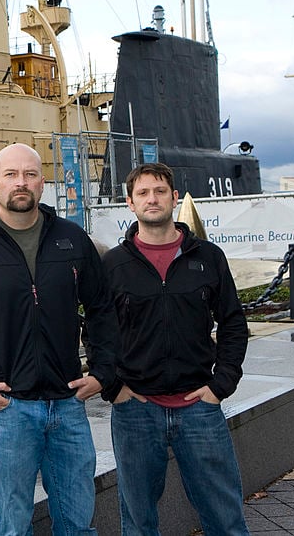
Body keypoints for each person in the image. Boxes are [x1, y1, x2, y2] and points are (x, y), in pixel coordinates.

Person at [0, 143, 118, 536]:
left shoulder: (71, 239)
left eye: (29, 174)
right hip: (8, 409)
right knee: (14, 526)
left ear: (42, 183)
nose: (21, 183)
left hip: (67, 404)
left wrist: (103, 372)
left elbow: (102, 309)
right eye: (11, 175)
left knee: (78, 523)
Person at [101, 163, 249, 535]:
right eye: (143, 193)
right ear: (130, 204)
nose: (153, 199)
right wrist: (112, 388)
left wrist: (222, 385)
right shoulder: (113, 265)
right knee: (137, 522)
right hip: (135, 410)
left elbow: (233, 323)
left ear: (174, 197)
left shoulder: (208, 257)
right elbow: (96, 331)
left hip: (199, 407)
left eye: (160, 191)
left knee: (225, 518)